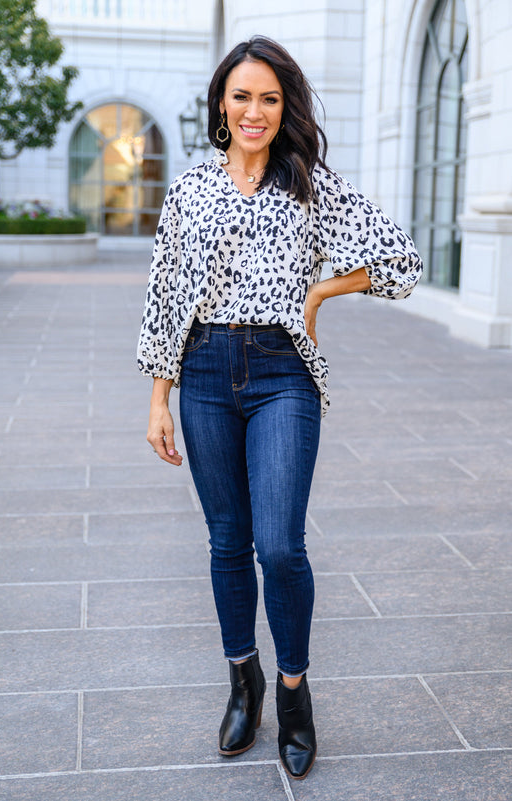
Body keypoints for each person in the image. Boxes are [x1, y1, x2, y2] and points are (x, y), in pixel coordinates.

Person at [138, 36, 422, 780]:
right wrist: (158, 397)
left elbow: (401, 260)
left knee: (279, 545)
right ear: (221, 105)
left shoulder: (309, 183)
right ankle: (244, 679)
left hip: (281, 373)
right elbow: (164, 298)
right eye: (241, 96)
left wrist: (321, 291)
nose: (255, 111)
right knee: (227, 541)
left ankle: (293, 692)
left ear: (284, 105)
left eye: (269, 98)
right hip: (200, 370)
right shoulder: (189, 189)